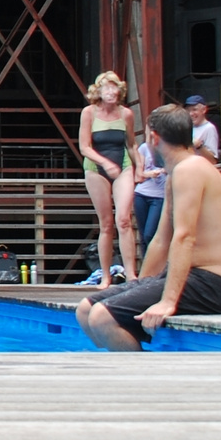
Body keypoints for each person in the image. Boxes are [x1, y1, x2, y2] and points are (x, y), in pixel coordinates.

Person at [77, 104, 221, 351]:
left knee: (102, 316)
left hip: (210, 284)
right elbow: (161, 241)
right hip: (190, 278)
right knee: (85, 310)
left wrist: (167, 301)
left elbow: (184, 236)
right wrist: (139, 287)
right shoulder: (176, 174)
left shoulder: (191, 169)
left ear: (154, 138)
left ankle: (144, 379)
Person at [75, 71, 139, 285]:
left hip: (123, 165)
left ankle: (131, 275)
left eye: (115, 88)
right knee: (106, 224)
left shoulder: (126, 114)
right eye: (107, 88)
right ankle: (105, 275)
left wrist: (140, 166)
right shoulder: (89, 112)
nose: (111, 92)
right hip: (96, 167)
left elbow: (131, 144)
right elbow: (84, 147)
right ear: (99, 91)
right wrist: (104, 163)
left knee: (124, 220)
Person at [130, 130, 168, 251]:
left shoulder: (168, 147)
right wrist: (150, 174)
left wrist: (166, 170)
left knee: (150, 234)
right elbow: (138, 175)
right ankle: (146, 268)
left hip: (160, 195)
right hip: (142, 193)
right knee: (143, 236)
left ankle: (155, 267)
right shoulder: (144, 147)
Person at [185, 94, 221, 161]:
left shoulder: (209, 128)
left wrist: (199, 146)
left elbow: (213, 160)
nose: (191, 114)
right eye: (188, 110)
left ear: (204, 110)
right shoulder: (186, 127)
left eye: (194, 109)